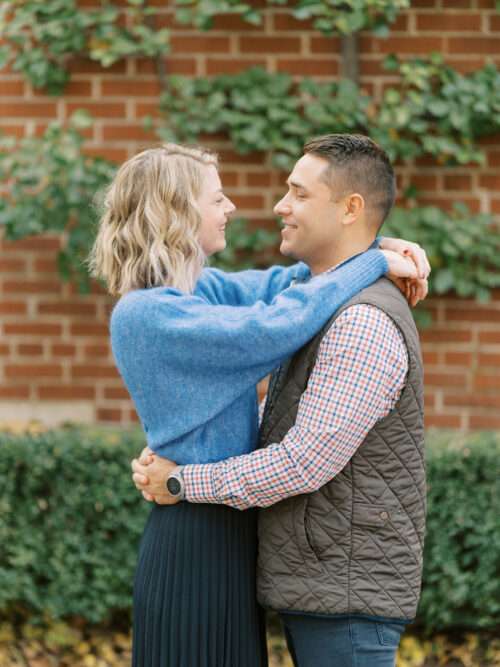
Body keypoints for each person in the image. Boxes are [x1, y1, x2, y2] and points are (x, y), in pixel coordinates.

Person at [91, 140, 426, 667]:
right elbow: (273, 325)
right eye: (217, 198)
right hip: (195, 538)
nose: (232, 209)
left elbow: (290, 282)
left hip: (229, 528)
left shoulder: (201, 292)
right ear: (176, 213)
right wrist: (372, 262)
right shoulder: (147, 314)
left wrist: (376, 248)